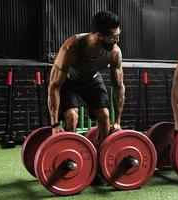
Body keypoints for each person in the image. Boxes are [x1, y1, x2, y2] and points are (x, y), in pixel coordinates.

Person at [47, 11, 125, 145]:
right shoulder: (71, 47)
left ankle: (101, 155)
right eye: (113, 37)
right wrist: (54, 124)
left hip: (92, 79)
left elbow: (118, 86)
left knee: (105, 115)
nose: (116, 41)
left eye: (118, 36)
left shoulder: (114, 52)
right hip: (69, 80)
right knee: (72, 116)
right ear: (100, 36)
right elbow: (54, 85)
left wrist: (117, 121)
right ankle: (70, 153)